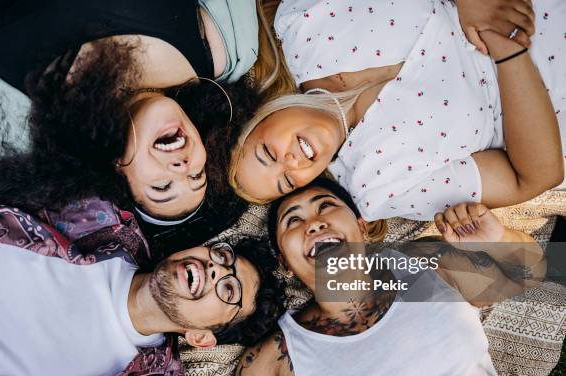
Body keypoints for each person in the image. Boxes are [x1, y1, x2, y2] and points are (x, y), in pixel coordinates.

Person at [229, 0, 565, 221]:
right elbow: (535, 176)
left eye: (267, 154)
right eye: (288, 181)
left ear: (262, 115)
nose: (291, 163)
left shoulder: (303, 22)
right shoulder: (379, 187)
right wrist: (507, 52)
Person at [230, 177, 545, 376]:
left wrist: (497, 238)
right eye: (293, 221)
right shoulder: (270, 363)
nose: (314, 224)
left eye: (325, 206)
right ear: (285, 263)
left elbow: (529, 274)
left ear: (363, 229)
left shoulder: (424, 263)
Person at [0, 0, 270, 223]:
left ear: (118, 170)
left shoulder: (12, 132)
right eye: (197, 175)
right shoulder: (227, 48)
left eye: (162, 187)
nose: (182, 166)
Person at [0, 229, 285, 376]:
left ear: (201, 337)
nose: (215, 268)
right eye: (223, 256)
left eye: (228, 288)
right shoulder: (98, 222)